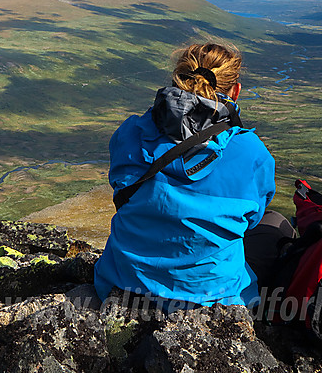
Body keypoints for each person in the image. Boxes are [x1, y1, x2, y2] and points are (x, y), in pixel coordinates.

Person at [94, 42, 291, 310]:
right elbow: (252, 219)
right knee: (276, 225)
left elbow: (120, 187)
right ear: (236, 90)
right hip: (212, 302)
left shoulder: (130, 133)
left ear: (178, 79)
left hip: (121, 284)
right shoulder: (250, 151)